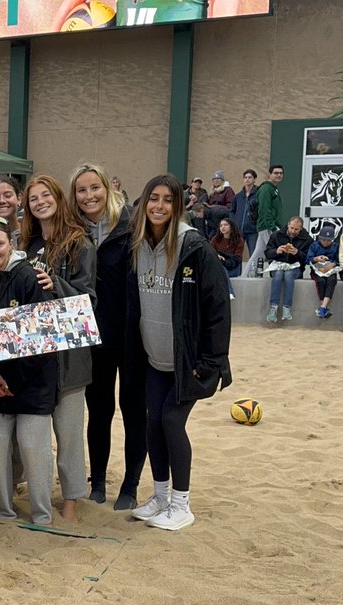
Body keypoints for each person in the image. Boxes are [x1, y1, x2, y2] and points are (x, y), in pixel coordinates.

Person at [128, 174, 231, 531]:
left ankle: (181, 504)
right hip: (155, 358)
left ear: (178, 205)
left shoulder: (194, 247)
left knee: (172, 421)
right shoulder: (138, 243)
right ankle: (159, 496)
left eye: (167, 200)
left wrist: (211, 361)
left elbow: (218, 307)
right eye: (152, 198)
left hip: (189, 360)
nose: (158, 206)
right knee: (153, 422)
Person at [0, 218, 57, 525]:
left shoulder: (28, 277)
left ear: (11, 245)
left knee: (33, 447)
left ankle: (41, 514)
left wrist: (13, 379)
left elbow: (43, 338)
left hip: (33, 379)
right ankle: (4, 512)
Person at [70, 164, 144, 510]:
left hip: (130, 334)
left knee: (132, 410)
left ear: (108, 188)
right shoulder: (72, 232)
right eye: (81, 190)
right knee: (98, 411)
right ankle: (97, 482)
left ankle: (129, 486)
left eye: (94, 188)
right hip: (93, 336)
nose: (89, 196)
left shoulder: (131, 225)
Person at [24, 175, 97, 520]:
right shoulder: (26, 246)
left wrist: (57, 285)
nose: (40, 202)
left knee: (69, 433)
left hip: (69, 356)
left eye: (45, 195)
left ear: (57, 197)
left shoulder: (80, 243)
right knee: (36, 435)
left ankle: (71, 499)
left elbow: (89, 300)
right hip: (37, 356)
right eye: (33, 198)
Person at [263, 215, 313, 323]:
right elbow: (267, 253)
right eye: (292, 228)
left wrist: (297, 253)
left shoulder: (307, 239)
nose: (293, 231)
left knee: (288, 275)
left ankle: (287, 307)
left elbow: (309, 259)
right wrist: (276, 251)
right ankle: (273, 308)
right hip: (277, 265)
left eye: (296, 229)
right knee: (279, 275)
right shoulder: (276, 235)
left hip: (296, 267)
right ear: (288, 225)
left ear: (301, 228)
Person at [241, 165, 284, 277]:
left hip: (268, 226)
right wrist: (272, 227)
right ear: (269, 174)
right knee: (277, 251)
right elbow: (264, 210)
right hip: (267, 226)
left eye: (280, 173)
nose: (279, 175)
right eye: (276, 173)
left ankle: (243, 276)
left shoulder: (274, 189)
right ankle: (277, 275)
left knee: (258, 252)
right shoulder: (265, 189)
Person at [307, 223, 341, 319]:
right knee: (321, 281)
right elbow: (308, 259)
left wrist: (333, 264)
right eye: (323, 240)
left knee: (332, 280)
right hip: (317, 270)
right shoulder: (314, 246)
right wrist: (316, 259)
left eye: (328, 240)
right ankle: (324, 307)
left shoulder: (335, 246)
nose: (325, 242)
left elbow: (339, 260)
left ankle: (323, 307)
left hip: (331, 270)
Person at [210, 216, 244, 297]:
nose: (223, 227)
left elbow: (237, 259)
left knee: (221, 269)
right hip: (218, 266)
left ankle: (230, 292)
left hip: (233, 268)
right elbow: (210, 253)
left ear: (231, 227)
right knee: (219, 269)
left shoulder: (239, 240)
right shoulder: (215, 239)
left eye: (225, 225)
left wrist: (223, 260)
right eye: (221, 225)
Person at [232, 169, 259, 260]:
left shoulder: (258, 194)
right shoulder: (238, 196)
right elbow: (232, 210)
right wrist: (234, 222)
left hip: (253, 230)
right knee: (236, 253)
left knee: (254, 253)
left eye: (250, 177)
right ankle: (237, 272)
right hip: (239, 230)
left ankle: (254, 273)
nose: (247, 179)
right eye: (245, 177)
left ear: (254, 179)